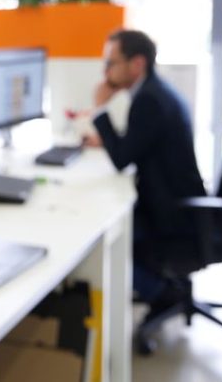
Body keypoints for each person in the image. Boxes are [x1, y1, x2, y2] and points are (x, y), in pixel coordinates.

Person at [87, 29, 206, 309]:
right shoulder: (154, 91)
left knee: (108, 236)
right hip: (178, 200)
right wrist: (107, 140)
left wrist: (100, 110)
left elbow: (121, 159)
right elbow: (137, 143)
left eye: (111, 63)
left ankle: (162, 293)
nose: (105, 72)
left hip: (171, 213)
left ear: (137, 64)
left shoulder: (148, 100)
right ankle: (162, 287)